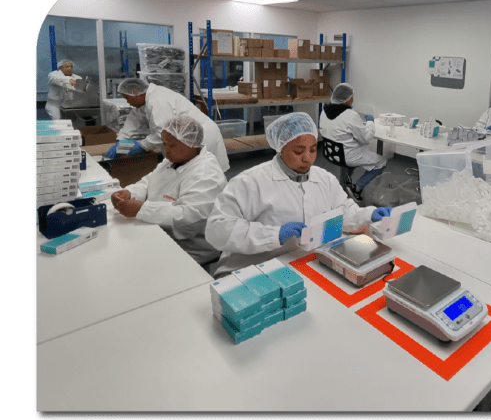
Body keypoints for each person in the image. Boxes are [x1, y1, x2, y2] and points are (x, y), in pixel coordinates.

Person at [205, 112, 394, 278]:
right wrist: (274, 235)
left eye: (313, 149)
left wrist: (368, 215)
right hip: (251, 269)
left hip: (303, 263)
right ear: (280, 147)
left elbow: (343, 210)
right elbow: (217, 229)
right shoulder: (249, 182)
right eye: (298, 151)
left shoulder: (324, 178)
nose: (308, 158)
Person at [110, 116, 227, 265]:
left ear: (190, 143)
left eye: (171, 145)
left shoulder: (206, 175)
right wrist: (130, 192)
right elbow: (149, 181)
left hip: (189, 249)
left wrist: (141, 209)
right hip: (159, 231)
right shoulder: (174, 160)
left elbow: (189, 218)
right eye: (164, 144)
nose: (166, 150)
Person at [104, 78, 229, 172]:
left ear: (136, 93)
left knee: (206, 174)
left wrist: (142, 145)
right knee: (193, 175)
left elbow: (162, 133)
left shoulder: (157, 100)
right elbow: (133, 120)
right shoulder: (146, 101)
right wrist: (121, 140)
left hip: (201, 137)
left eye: (127, 98)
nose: (128, 102)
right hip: (188, 137)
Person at [319, 83, 386, 201]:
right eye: (352, 97)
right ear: (348, 99)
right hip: (348, 156)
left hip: (330, 152)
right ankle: (357, 188)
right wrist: (370, 121)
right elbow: (366, 138)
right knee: (381, 162)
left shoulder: (324, 111)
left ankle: (346, 181)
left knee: (357, 148)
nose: (353, 99)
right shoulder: (350, 115)